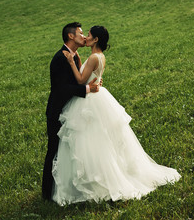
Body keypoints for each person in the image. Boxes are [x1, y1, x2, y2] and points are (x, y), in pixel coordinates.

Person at [51, 26, 181, 206]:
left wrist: (73, 64)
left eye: (88, 35)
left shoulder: (94, 57)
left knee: (90, 139)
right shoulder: (99, 57)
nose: (86, 38)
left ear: (95, 39)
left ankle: (95, 178)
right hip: (97, 96)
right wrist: (80, 62)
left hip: (89, 101)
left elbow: (81, 80)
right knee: (100, 138)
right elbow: (87, 76)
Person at [42, 22, 100, 201]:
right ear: (71, 36)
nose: (84, 37)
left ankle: (69, 187)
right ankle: (47, 193)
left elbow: (78, 80)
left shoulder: (74, 56)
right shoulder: (60, 58)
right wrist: (88, 89)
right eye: (81, 33)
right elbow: (61, 88)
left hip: (70, 111)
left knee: (69, 151)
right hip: (57, 111)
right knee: (54, 150)